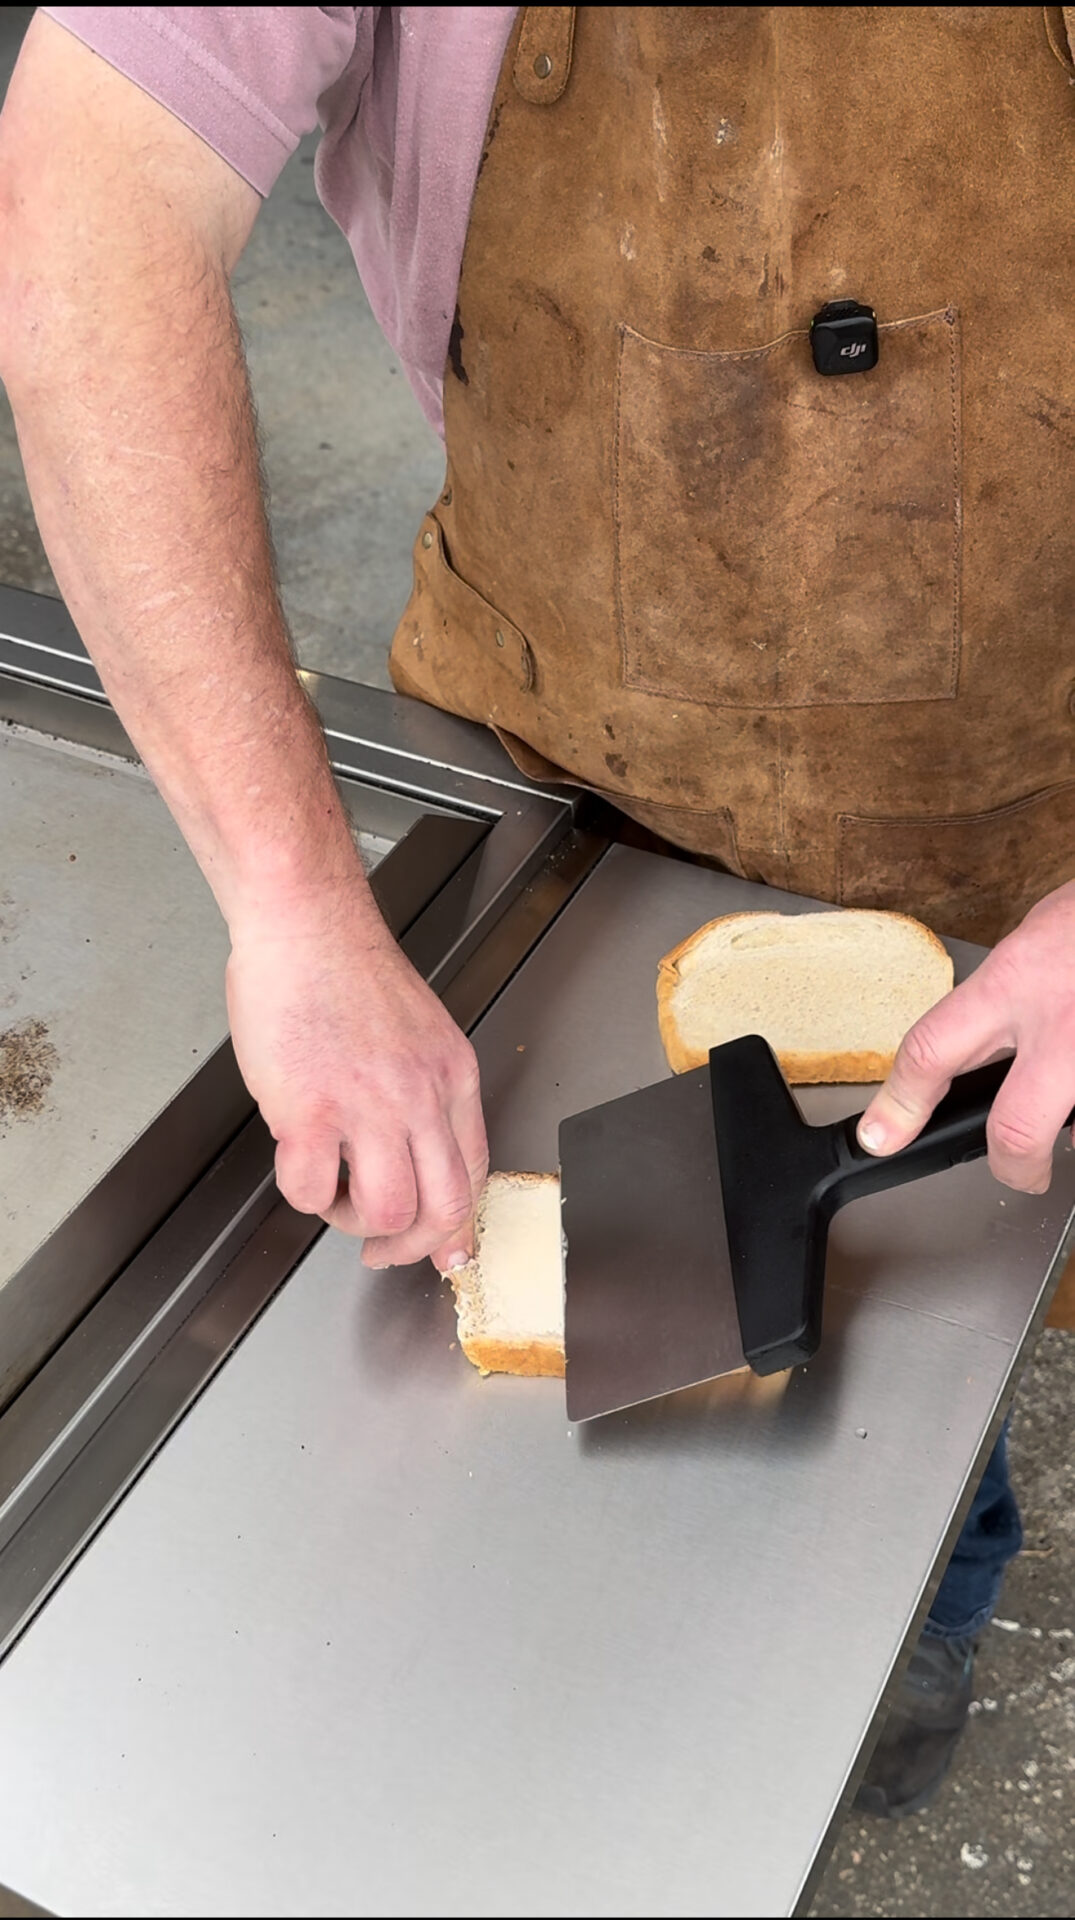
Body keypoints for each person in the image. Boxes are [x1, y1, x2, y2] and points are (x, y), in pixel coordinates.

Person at [0, 7, 1070, 1821]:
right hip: (559, 770)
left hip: (1040, 813)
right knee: (587, 1460)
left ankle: (927, 1613)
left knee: (923, 1383)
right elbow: (87, 206)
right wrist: (296, 904)